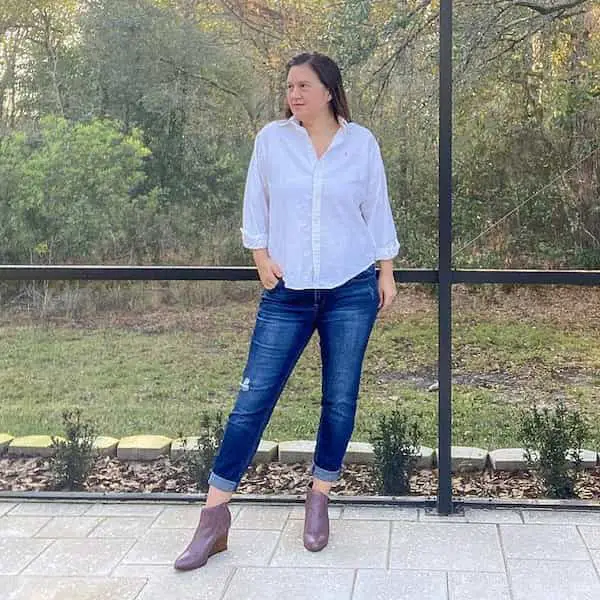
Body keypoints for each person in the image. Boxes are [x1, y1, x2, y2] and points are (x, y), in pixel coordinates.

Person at [174, 51, 399, 571]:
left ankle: (319, 497)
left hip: (351, 288)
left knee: (339, 400)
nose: (293, 94)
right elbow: (257, 202)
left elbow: (376, 207)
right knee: (251, 403)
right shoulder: (272, 141)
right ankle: (213, 518)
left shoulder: (360, 143)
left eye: (303, 85)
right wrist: (259, 255)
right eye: (289, 86)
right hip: (287, 291)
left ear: (328, 90)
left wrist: (386, 270)